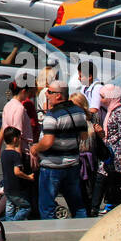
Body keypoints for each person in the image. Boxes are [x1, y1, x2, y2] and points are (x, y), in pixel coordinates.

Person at [32, 80, 89, 219]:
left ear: (58, 95)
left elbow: (47, 142)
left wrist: (35, 148)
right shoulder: (79, 113)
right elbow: (84, 135)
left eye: (50, 92)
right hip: (72, 164)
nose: (47, 94)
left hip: (52, 167)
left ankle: (49, 237)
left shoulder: (51, 116)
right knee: (77, 205)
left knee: (47, 207)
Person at [0, 127, 34, 220]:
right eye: (19, 138)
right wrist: (28, 177)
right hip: (15, 188)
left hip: (7, 187)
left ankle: (9, 225)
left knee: (10, 208)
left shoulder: (4, 153)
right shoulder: (16, 155)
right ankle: (14, 222)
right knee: (26, 207)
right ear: (15, 139)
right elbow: (17, 172)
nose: (20, 140)